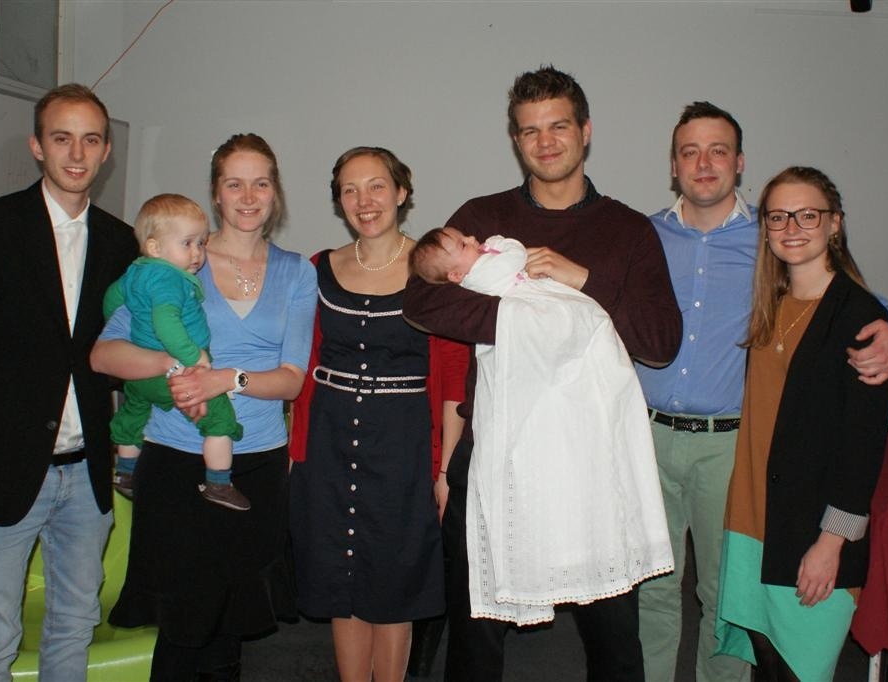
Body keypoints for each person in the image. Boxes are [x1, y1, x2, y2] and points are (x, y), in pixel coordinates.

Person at [403, 65, 682, 682]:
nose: (545, 141)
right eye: (530, 130)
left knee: (614, 639)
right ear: (516, 140)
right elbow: (420, 302)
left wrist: (583, 282)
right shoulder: (481, 216)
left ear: (586, 131)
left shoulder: (628, 229)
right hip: (496, 450)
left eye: (558, 126)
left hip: (590, 461)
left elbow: (661, 342)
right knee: (476, 634)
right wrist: (534, 322)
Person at [635, 102, 888, 682]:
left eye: (718, 150)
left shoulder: (771, 241)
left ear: (739, 162)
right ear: (674, 165)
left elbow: (867, 313)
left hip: (729, 448)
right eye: (690, 151)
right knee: (649, 590)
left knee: (725, 595)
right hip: (645, 438)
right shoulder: (644, 237)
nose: (704, 163)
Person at [0, 83, 138, 680]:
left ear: (106, 151)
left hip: (86, 475)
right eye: (62, 138)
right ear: (37, 146)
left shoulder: (120, 241)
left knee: (75, 624)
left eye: (90, 140)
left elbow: (118, 350)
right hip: (5, 467)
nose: (77, 153)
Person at [91, 133, 316, 681]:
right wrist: (172, 365)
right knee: (182, 623)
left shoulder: (296, 271)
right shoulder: (173, 260)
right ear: (215, 193)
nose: (248, 197)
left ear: (275, 191)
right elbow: (104, 355)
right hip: (176, 460)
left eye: (260, 183)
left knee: (228, 625)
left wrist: (224, 379)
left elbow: (291, 381)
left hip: (256, 463)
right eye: (234, 184)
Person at [410, 227, 673, 625]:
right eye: (462, 245)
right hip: (531, 327)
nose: (473, 240)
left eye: (466, 237)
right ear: (456, 276)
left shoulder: (624, 225)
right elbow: (511, 260)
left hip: (550, 308)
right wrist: (507, 264)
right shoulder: (482, 274)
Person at [287, 147, 468, 682]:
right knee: (341, 582)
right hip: (328, 442)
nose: (363, 201)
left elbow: (454, 380)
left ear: (401, 192)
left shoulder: (433, 270)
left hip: (404, 447)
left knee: (395, 586)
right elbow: (305, 364)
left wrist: (445, 471)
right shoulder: (318, 268)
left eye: (376, 186)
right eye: (350, 189)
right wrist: (296, 453)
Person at [714, 166, 888, 681]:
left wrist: (831, 544)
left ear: (835, 223)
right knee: (767, 663)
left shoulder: (860, 317)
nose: (791, 227)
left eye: (807, 215)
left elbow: (863, 446)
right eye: (778, 217)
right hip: (753, 520)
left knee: (801, 668)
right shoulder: (772, 304)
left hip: (811, 531)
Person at [105, 193, 248, 510]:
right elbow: (165, 321)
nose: (197, 253)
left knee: (134, 412)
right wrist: (193, 355)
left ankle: (125, 472)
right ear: (155, 247)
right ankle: (219, 482)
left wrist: (130, 335)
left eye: (201, 243)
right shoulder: (170, 279)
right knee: (219, 416)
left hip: (140, 373)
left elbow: (111, 300)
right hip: (174, 371)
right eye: (187, 243)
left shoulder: (135, 271)